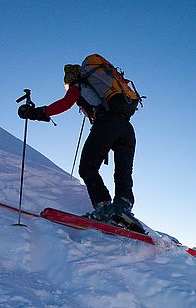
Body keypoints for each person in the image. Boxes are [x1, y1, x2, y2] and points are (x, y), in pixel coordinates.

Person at [18, 55, 143, 232]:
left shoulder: (79, 84)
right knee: (123, 172)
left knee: (87, 167)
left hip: (107, 123)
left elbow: (65, 103)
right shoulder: (105, 87)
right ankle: (122, 208)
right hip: (127, 129)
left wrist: (36, 113)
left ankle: (103, 209)